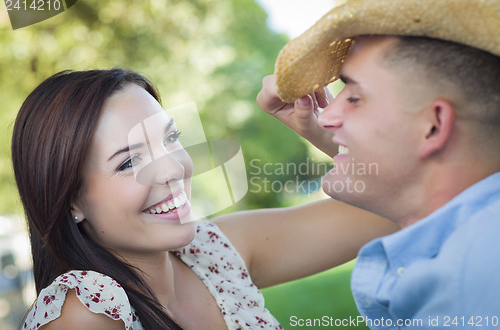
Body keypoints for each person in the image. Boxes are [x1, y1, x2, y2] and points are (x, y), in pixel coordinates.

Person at [12, 69, 398, 330]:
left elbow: (398, 208)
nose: (172, 169)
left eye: (170, 139)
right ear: (71, 202)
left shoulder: (213, 252)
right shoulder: (86, 312)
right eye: (130, 161)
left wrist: (333, 138)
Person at [257, 0, 500, 328]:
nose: (326, 115)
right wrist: (344, 146)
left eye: (355, 97)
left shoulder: (466, 292)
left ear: (433, 126)